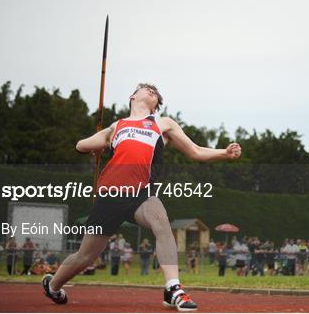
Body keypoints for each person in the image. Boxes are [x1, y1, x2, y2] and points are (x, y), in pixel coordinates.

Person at [42, 83, 241, 311]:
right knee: (85, 257)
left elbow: (195, 151)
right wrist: (96, 145)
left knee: (161, 222)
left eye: (155, 92)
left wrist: (224, 153)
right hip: (109, 196)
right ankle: (53, 285)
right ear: (132, 96)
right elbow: (80, 145)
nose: (152, 91)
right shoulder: (117, 126)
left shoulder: (162, 123)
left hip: (141, 195)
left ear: (156, 104)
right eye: (146, 88)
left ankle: (173, 288)